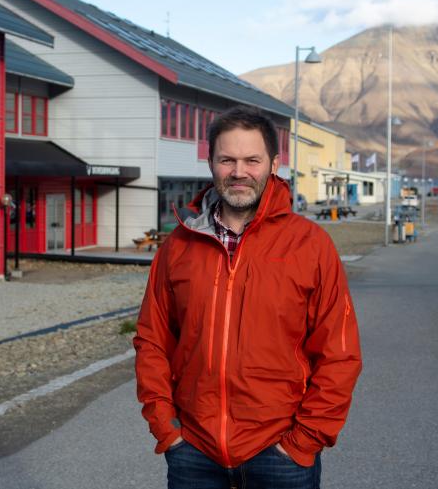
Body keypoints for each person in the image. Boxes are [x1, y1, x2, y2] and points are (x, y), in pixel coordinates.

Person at [134, 105, 362, 489]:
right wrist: (165, 428)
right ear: (210, 163)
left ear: (273, 164)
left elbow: (340, 354)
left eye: (252, 160)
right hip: (194, 452)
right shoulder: (178, 247)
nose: (239, 172)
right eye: (227, 159)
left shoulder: (310, 246)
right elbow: (152, 341)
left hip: (281, 454)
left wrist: (304, 440)